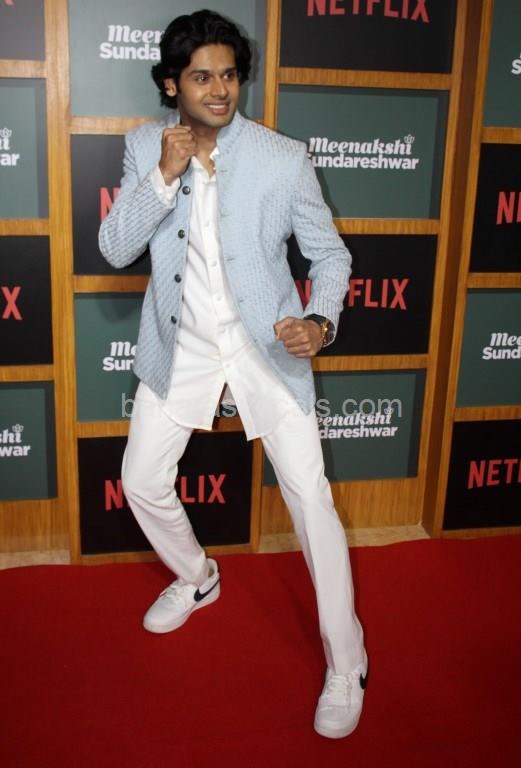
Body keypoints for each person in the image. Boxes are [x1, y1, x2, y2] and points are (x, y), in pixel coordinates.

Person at [99, 9, 367, 739]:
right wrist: (163, 175)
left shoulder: (282, 157)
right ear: (171, 84)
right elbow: (116, 247)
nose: (219, 90)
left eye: (227, 75)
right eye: (201, 77)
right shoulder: (144, 147)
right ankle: (198, 578)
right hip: (179, 346)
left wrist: (319, 322)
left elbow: (330, 255)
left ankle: (347, 660)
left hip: (265, 350)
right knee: (141, 479)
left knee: (311, 501)